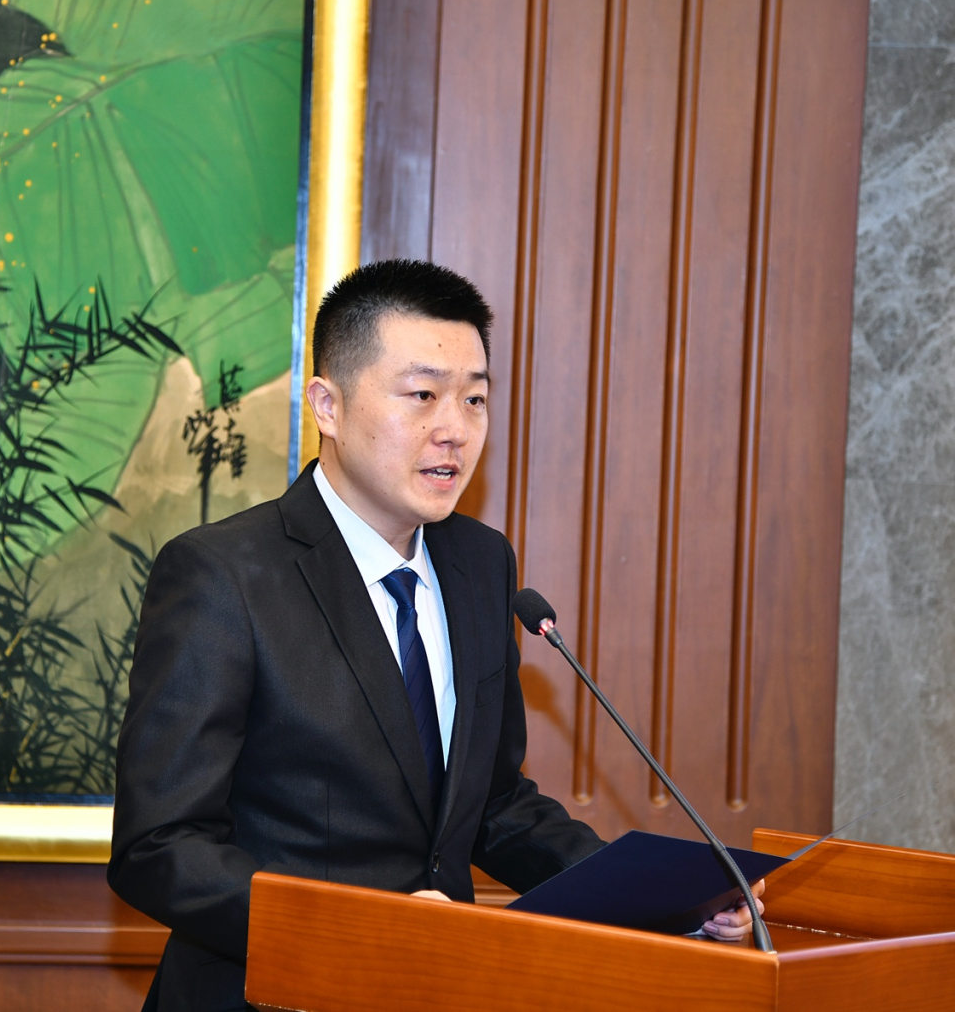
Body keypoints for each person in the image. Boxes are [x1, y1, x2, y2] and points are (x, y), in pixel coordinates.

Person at [107, 259, 763, 1012]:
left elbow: (493, 806)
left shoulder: (481, 564)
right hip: (269, 995)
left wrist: (667, 900)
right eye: (422, 395)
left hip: (441, 989)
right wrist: (359, 932)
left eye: (474, 399)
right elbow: (158, 846)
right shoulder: (223, 574)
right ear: (327, 405)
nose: (454, 429)